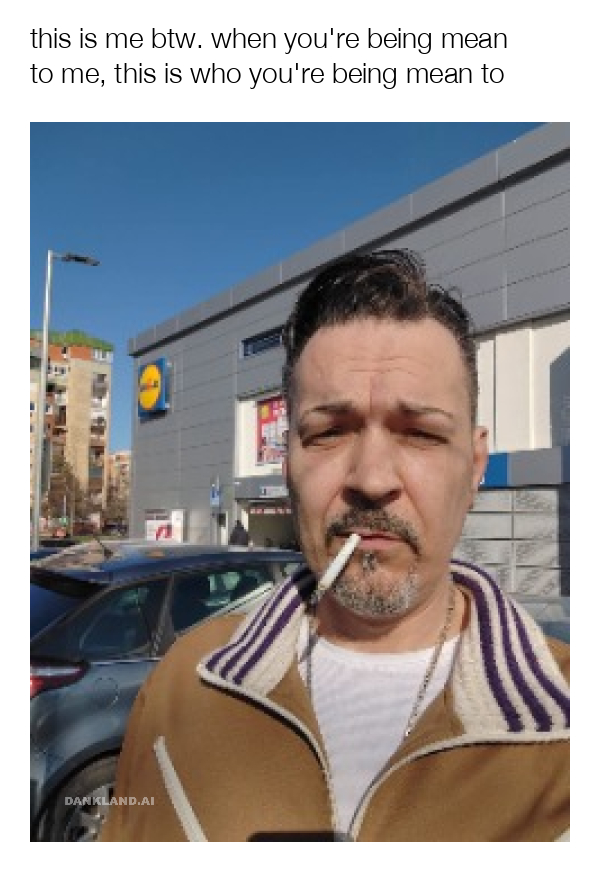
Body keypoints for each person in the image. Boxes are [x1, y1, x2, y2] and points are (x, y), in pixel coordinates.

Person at [101, 249, 569, 842]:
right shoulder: (182, 686)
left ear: (474, 466)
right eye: (329, 432)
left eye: (420, 433)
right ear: (287, 465)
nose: (371, 479)